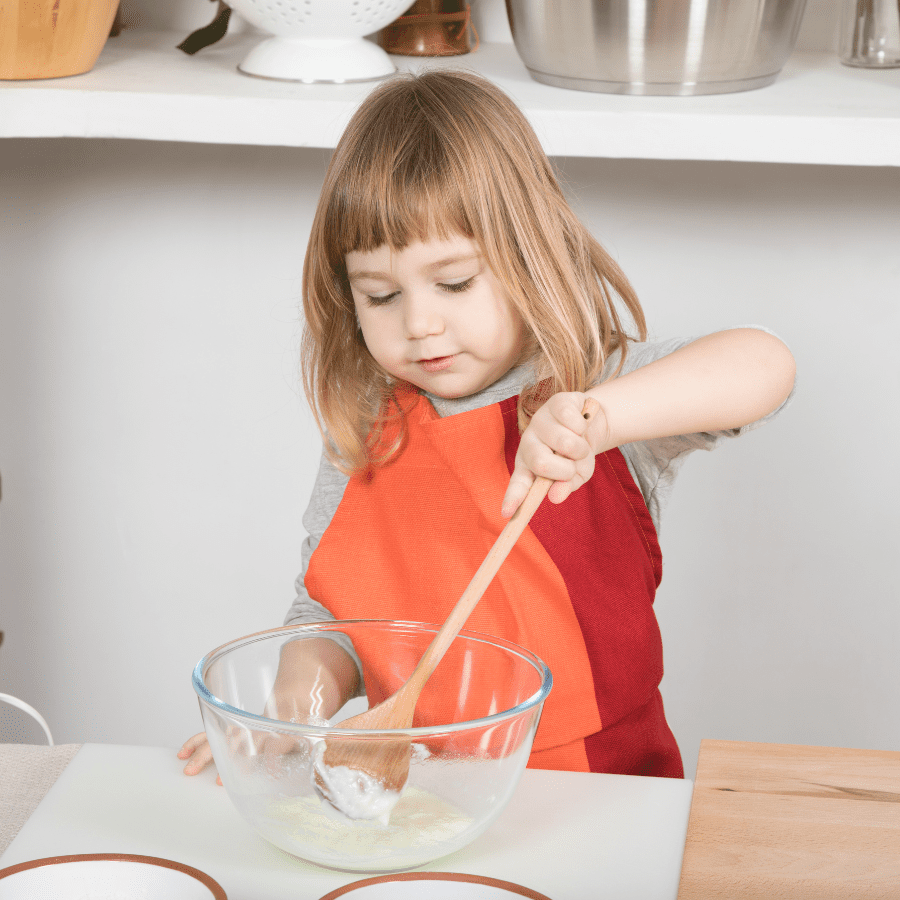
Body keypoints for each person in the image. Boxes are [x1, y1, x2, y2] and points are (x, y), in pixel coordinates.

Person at [180, 69, 795, 783]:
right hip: (420, 791)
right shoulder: (363, 427)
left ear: (529, 254)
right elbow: (331, 616)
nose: (420, 323)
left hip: (603, 790)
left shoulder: (595, 388)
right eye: (380, 295)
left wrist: (597, 418)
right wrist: (292, 708)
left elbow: (765, 366)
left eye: (455, 283)